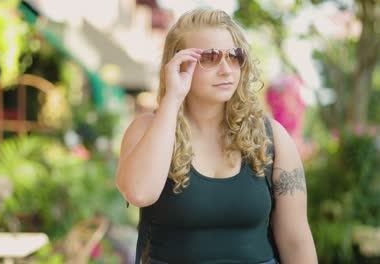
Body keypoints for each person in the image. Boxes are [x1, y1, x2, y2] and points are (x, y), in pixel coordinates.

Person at [115, 7, 317, 264]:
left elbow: (296, 239)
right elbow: (139, 193)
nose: (226, 69)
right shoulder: (147, 129)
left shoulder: (271, 138)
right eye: (209, 57)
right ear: (177, 64)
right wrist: (172, 99)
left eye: (235, 56)